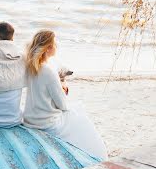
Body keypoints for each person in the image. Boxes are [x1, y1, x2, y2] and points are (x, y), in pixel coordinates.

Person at [23, 30, 108, 160]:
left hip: (30, 119)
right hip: (46, 123)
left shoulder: (29, 66)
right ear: (48, 48)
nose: (56, 46)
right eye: (54, 44)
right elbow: (62, 105)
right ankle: (98, 157)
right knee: (80, 116)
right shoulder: (49, 71)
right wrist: (63, 88)